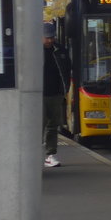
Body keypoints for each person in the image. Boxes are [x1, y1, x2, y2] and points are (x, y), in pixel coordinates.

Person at [42, 21, 71, 168]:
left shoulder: (60, 51)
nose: (50, 40)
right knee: (38, 125)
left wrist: (65, 89)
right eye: (47, 37)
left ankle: (50, 154)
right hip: (38, 94)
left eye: (52, 37)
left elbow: (67, 69)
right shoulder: (33, 51)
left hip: (56, 93)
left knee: (53, 125)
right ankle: (33, 155)